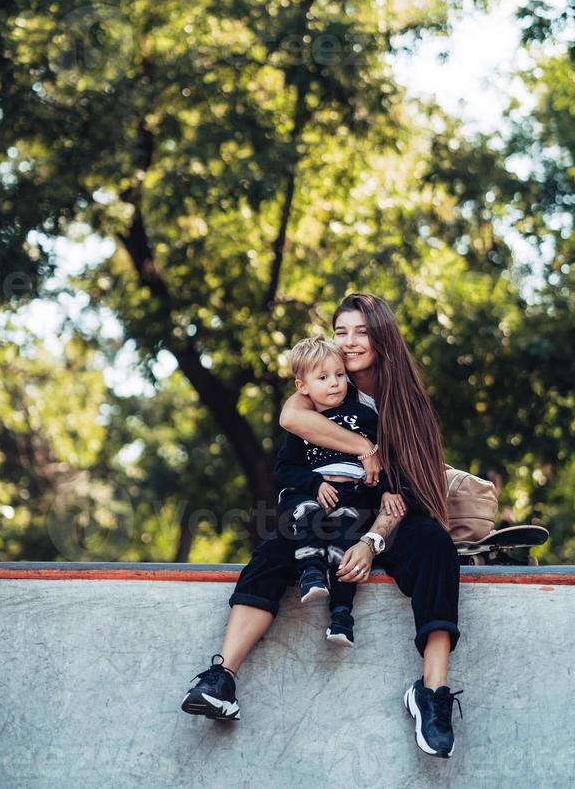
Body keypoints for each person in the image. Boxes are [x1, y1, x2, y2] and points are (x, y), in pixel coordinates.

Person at [181, 293, 463, 758]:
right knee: (277, 548)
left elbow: (408, 491)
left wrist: (372, 543)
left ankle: (432, 694)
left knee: (434, 545)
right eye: (341, 331)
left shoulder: (402, 399)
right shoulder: (324, 377)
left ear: (382, 336)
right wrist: (364, 449)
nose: (349, 343)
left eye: (361, 331)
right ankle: (222, 677)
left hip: (387, 515)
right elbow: (291, 417)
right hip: (331, 509)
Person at [275, 334, 389, 647]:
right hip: (312, 495)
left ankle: (341, 617)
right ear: (303, 386)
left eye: (340, 375)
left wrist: (379, 489)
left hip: (350, 499)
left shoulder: (366, 416)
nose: (335, 383)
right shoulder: (305, 424)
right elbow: (284, 469)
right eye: (323, 378)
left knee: (345, 549)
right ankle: (310, 574)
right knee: (308, 513)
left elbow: (383, 460)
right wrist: (315, 484)